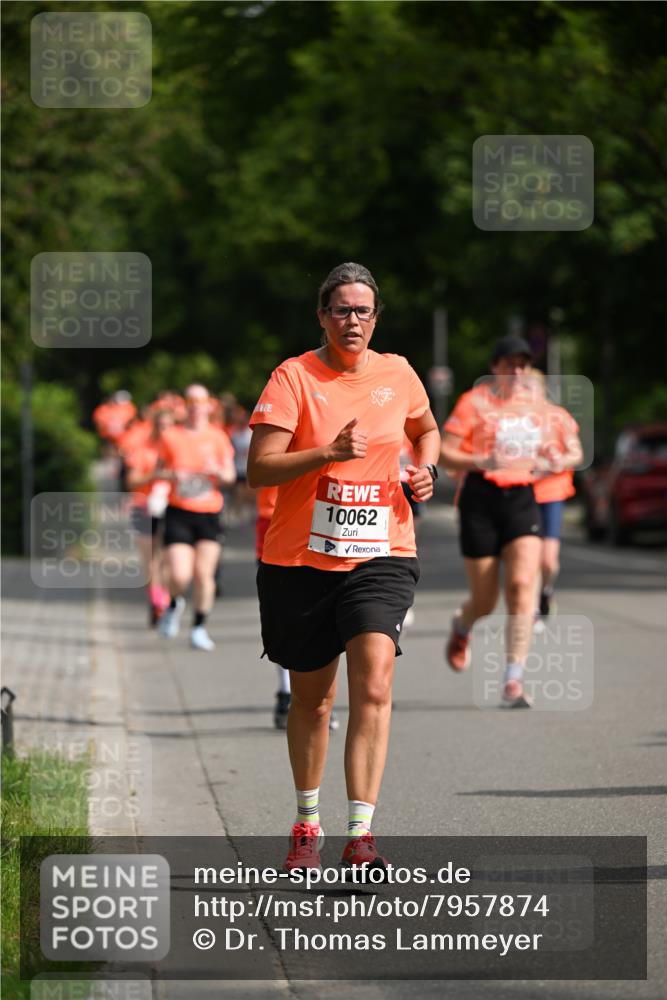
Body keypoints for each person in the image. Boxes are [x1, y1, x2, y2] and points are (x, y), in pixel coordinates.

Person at [247, 262, 440, 874]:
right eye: (340, 310)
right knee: (313, 701)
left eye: (362, 311)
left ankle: (362, 835)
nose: (351, 320)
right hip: (301, 559)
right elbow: (260, 469)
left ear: (375, 317)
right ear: (322, 316)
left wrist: (426, 470)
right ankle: (307, 822)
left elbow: (426, 429)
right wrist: (327, 453)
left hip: (382, 552)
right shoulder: (293, 377)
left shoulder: (399, 372)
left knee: (375, 683)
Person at [440, 334, 565, 708]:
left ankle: (514, 680)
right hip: (480, 497)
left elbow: (562, 444)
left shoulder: (537, 408)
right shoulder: (473, 403)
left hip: (522, 499)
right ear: (494, 368)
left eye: (523, 364)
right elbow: (445, 453)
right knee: (485, 600)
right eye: (510, 363)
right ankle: (463, 625)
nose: (517, 370)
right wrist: (481, 459)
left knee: (523, 584)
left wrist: (556, 457)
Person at [255, 485, 340, 733]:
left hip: (328, 520)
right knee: (289, 621)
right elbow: (257, 472)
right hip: (277, 521)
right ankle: (287, 693)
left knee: (329, 618)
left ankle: (320, 695)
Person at [157, 384, 236, 651]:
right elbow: (158, 471)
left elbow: (230, 476)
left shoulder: (217, 437)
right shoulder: (170, 436)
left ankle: (199, 627)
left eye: (200, 400)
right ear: (184, 406)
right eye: (190, 400)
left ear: (208, 405)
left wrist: (217, 471)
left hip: (209, 512)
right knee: (179, 575)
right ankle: (174, 602)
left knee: (204, 574)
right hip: (179, 510)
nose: (195, 405)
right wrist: (172, 475)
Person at [531, 373, 584, 627]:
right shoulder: (511, 421)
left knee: (548, 560)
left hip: (551, 493)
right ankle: (529, 608)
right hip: (521, 493)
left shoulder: (559, 417)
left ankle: (545, 592)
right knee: (526, 557)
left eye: (531, 389)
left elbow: (576, 453)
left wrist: (558, 461)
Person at [124, 408, 174, 625]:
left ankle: (165, 599)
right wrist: (154, 474)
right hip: (143, 508)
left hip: (172, 508)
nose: (164, 431)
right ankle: (157, 603)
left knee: (169, 558)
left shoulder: (180, 451)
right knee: (151, 560)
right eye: (160, 426)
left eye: (168, 426)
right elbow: (131, 482)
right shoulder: (143, 450)